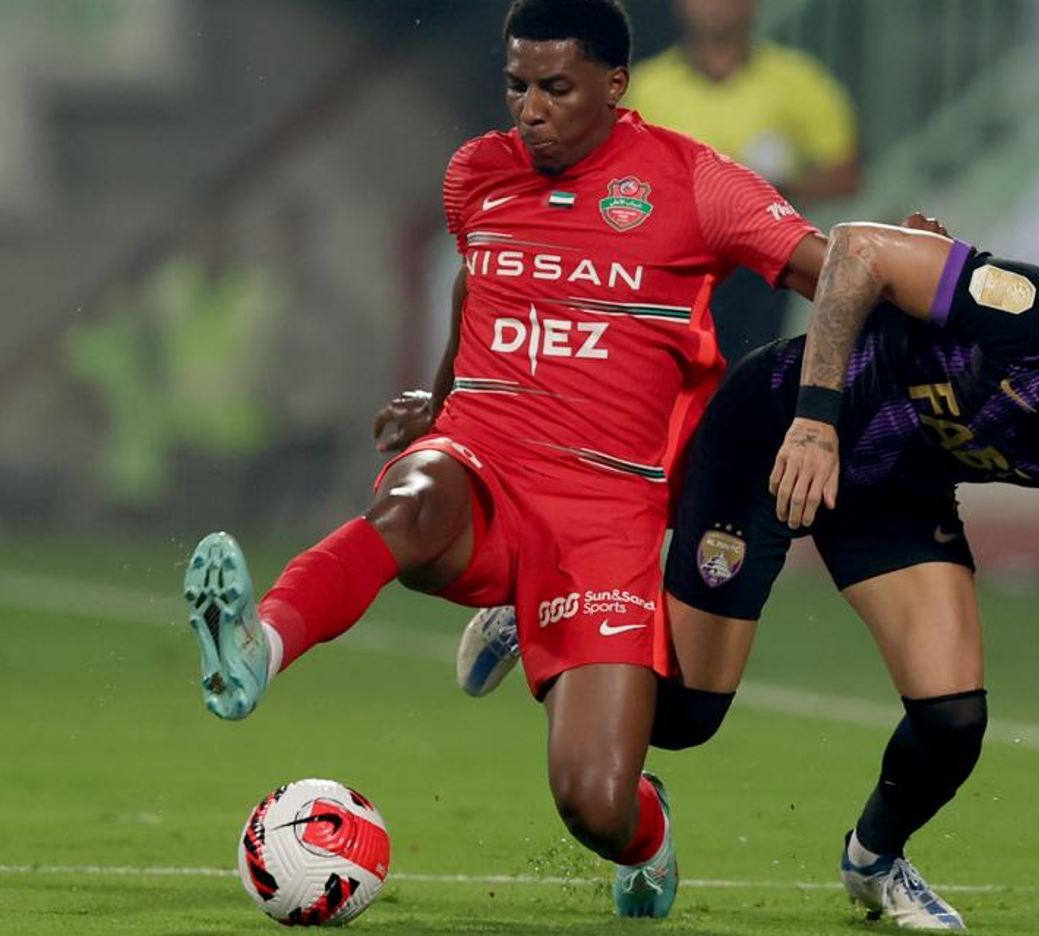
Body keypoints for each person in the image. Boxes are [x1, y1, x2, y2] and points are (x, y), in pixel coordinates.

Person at [460, 225, 1039, 928]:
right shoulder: (1036, 315)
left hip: (894, 489)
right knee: (682, 718)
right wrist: (815, 421)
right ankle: (551, 608)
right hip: (777, 436)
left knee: (953, 721)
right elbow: (857, 248)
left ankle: (873, 863)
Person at [183, 0, 827, 919]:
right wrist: (440, 399)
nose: (529, 109)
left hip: (604, 514)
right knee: (409, 502)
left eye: (555, 87)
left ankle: (646, 834)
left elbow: (833, 273)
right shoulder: (477, 173)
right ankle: (261, 645)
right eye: (517, 85)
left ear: (614, 85)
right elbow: (479, 276)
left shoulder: (694, 184)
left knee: (594, 804)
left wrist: (836, 396)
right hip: (484, 454)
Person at [626, 0, 860, 362]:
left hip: (762, 266)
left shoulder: (797, 80)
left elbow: (846, 174)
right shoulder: (645, 87)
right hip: (674, 263)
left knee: (752, 374)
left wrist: (773, 191)